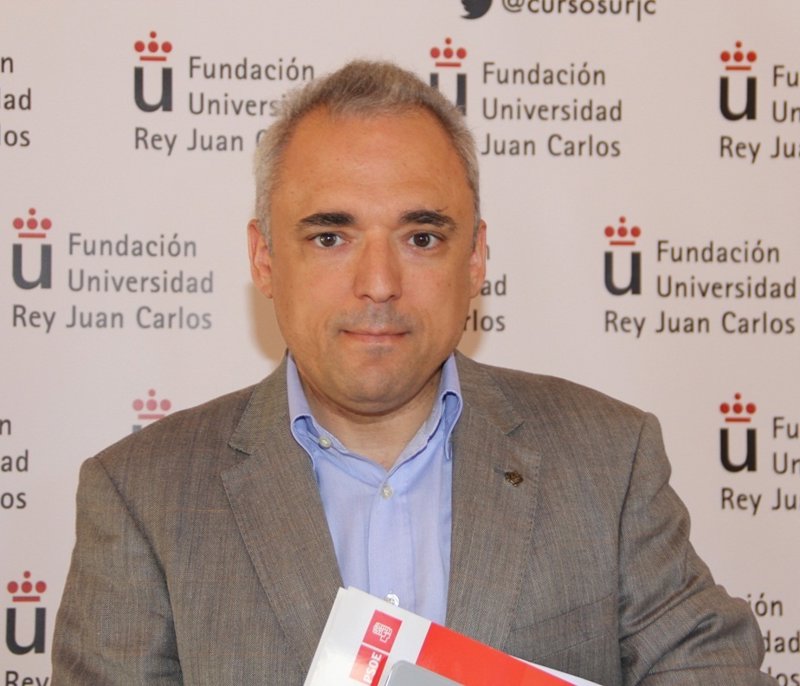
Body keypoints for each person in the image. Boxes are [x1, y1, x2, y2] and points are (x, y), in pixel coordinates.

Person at [52, 60, 774, 685]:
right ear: (264, 259)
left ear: (476, 260)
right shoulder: (143, 496)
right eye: (330, 237)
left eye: (421, 237)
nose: (379, 283)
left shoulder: (609, 458)